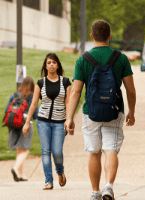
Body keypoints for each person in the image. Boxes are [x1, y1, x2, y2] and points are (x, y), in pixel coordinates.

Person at [65, 20, 136, 200]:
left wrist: (69, 117)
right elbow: (130, 89)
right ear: (109, 36)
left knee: (94, 152)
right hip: (114, 110)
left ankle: (95, 192)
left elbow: (76, 91)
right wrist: (131, 112)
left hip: (91, 112)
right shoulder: (120, 58)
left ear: (92, 35)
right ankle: (108, 186)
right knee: (110, 149)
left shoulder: (83, 59)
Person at [23, 53, 71, 190]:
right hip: (43, 121)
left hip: (59, 122)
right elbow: (33, 104)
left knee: (57, 151)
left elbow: (68, 103)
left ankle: (60, 172)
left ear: (58, 65)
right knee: (45, 151)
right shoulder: (40, 83)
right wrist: (27, 122)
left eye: (54, 62)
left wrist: (69, 120)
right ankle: (48, 181)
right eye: (49, 62)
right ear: (45, 65)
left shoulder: (65, 82)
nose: (51, 65)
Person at [4, 77, 36, 182]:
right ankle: (15, 168)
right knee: (26, 150)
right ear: (32, 86)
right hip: (25, 124)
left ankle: (20, 175)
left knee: (19, 149)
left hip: (13, 124)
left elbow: (6, 109)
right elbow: (35, 111)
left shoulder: (14, 95)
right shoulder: (31, 96)